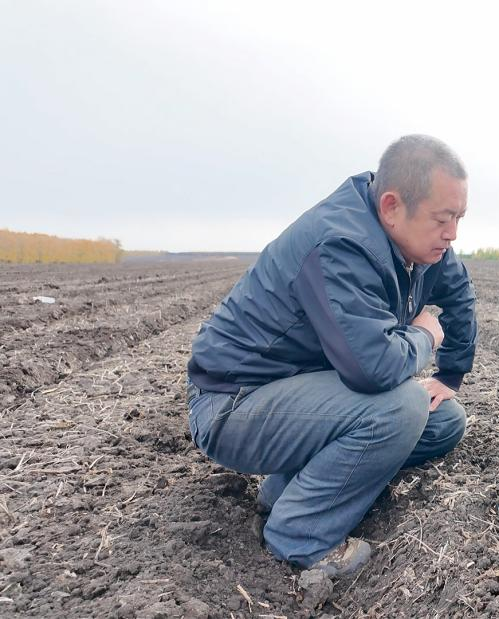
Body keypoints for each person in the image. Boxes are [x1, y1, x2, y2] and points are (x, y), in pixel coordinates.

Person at [186, 135, 477, 575]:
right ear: (392, 207)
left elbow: (459, 297)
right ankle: (299, 537)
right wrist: (424, 337)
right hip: (234, 404)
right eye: (443, 218)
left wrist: (450, 375)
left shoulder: (423, 245)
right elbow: (374, 370)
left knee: (442, 420)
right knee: (400, 407)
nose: (452, 233)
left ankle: (287, 493)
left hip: (299, 392)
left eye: (458, 217)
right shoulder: (340, 244)